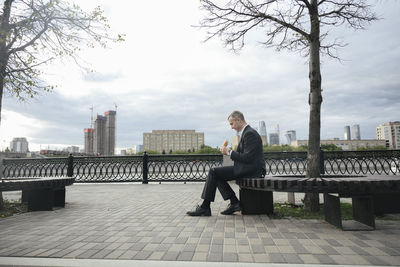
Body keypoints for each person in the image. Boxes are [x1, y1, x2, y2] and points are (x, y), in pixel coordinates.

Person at [187, 110, 266, 216]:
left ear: (238, 120)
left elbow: (247, 158)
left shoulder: (249, 133)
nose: (231, 127)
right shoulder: (247, 133)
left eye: (232, 124)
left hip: (252, 170)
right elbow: (245, 157)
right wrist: (230, 151)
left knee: (214, 172)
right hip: (248, 168)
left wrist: (229, 152)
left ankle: (205, 207)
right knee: (216, 174)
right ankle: (233, 203)